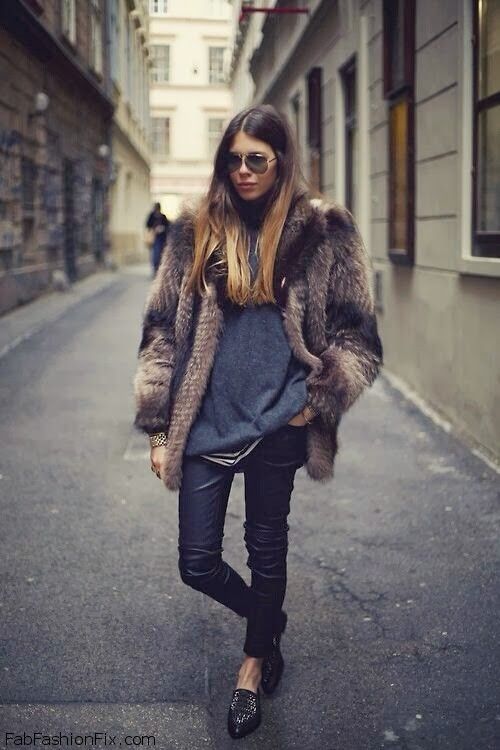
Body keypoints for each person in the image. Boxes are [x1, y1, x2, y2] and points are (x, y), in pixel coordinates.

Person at [133, 104, 383, 739]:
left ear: (280, 162)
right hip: (206, 422)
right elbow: (162, 331)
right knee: (196, 562)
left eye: (257, 160)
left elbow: (358, 337)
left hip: (279, 422)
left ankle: (250, 668)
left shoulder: (323, 230)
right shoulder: (195, 230)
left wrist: (316, 402)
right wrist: (159, 428)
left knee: (267, 548)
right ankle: (268, 622)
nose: (243, 171)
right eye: (233, 159)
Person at [145, 202, 170, 276]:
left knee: (160, 254)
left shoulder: (163, 216)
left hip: (161, 238)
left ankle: (158, 270)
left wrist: (162, 228)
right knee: (155, 255)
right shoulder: (151, 216)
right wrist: (154, 228)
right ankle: (155, 269)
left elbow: (168, 226)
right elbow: (147, 225)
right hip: (154, 238)